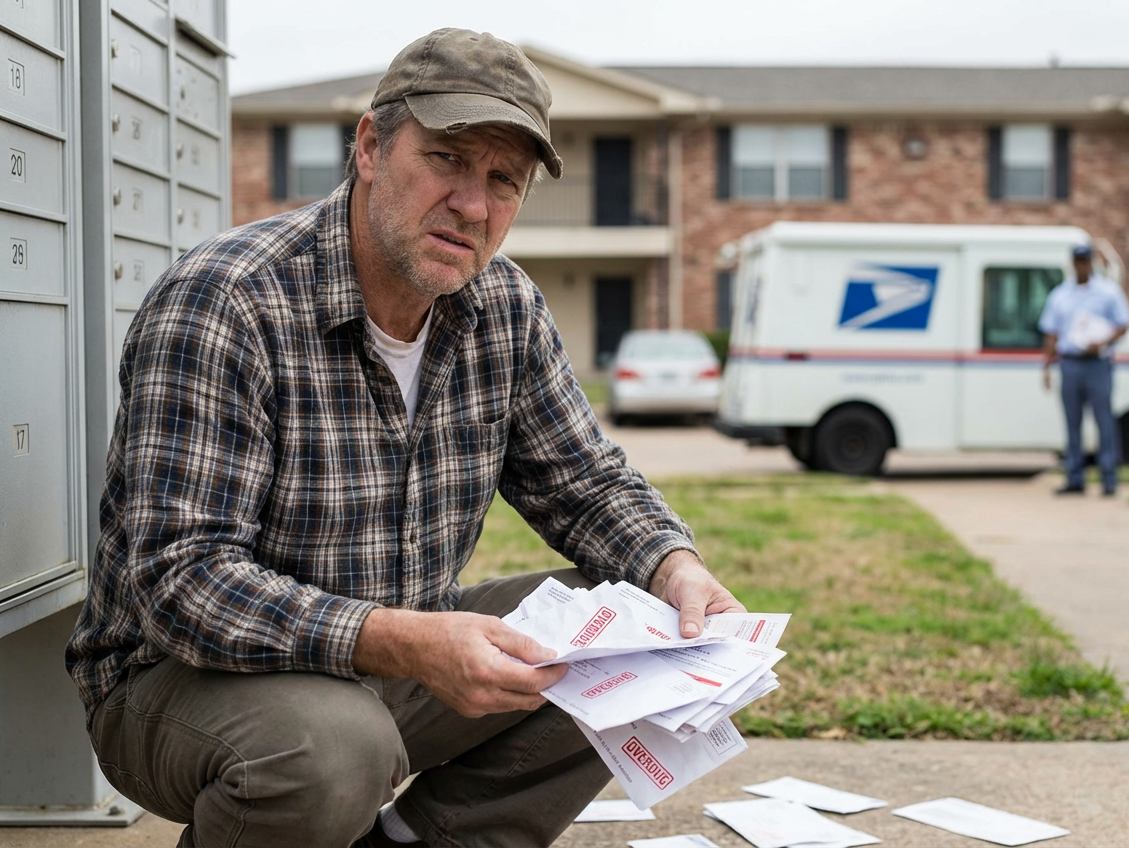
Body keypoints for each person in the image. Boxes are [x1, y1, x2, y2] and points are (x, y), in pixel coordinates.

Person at [66, 28, 743, 848]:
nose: (473, 203)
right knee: (331, 747)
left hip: (393, 662)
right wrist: (406, 642)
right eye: (449, 159)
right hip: (180, 684)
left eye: (504, 181)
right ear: (371, 147)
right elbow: (184, 584)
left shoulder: (506, 309)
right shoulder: (228, 301)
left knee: (637, 637)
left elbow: (584, 483)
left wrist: (677, 571)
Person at [1039, 244, 1129, 496]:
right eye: (1078, 261)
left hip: (1097, 364)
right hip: (1070, 363)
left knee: (1104, 421)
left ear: (1092, 263)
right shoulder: (1060, 295)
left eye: (1086, 261)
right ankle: (1075, 477)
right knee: (1072, 423)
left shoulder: (1108, 292)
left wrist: (1103, 342)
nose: (1082, 265)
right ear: (1072, 263)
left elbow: (1124, 323)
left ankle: (1109, 478)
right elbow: (1051, 333)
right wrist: (1047, 367)